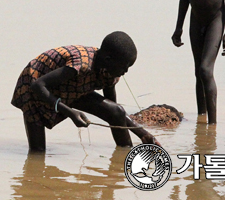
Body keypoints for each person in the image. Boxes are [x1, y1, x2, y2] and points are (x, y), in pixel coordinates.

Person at [11, 31, 160, 152]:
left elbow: (116, 114)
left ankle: (125, 156)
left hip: (71, 87)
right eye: (124, 66)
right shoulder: (81, 65)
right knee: (38, 151)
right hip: (34, 84)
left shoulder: (109, 73)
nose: (125, 71)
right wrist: (70, 112)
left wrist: (144, 135)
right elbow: (38, 86)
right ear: (108, 59)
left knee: (116, 111)